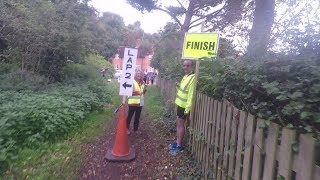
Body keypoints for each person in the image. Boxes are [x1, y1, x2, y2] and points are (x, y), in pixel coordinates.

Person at [169, 59, 195, 155]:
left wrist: (187, 109)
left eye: (187, 65)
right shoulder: (185, 76)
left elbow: (191, 94)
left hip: (184, 107)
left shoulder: (193, 78)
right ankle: (177, 142)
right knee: (178, 124)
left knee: (180, 125)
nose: (185, 67)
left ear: (192, 66)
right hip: (180, 104)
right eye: (184, 65)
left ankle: (179, 146)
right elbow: (183, 90)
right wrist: (178, 86)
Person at [126, 70, 147, 135]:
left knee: (137, 117)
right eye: (137, 74)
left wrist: (145, 90)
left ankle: (136, 130)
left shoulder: (143, 82)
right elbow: (128, 92)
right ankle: (126, 129)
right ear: (135, 74)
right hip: (133, 102)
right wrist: (138, 92)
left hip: (140, 102)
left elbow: (143, 93)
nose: (139, 75)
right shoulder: (132, 82)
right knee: (129, 116)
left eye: (140, 74)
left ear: (142, 75)